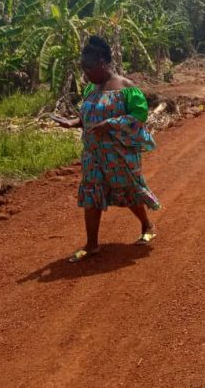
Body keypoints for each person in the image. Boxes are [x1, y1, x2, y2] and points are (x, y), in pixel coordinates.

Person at [53, 36, 161, 262]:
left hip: (119, 153)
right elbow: (87, 116)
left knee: (129, 190)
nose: (85, 73)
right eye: (83, 68)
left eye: (88, 67)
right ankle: (91, 245)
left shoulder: (126, 88)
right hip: (93, 154)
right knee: (91, 193)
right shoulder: (91, 90)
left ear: (102, 63)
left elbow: (139, 117)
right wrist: (72, 122)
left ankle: (147, 224)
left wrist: (111, 124)